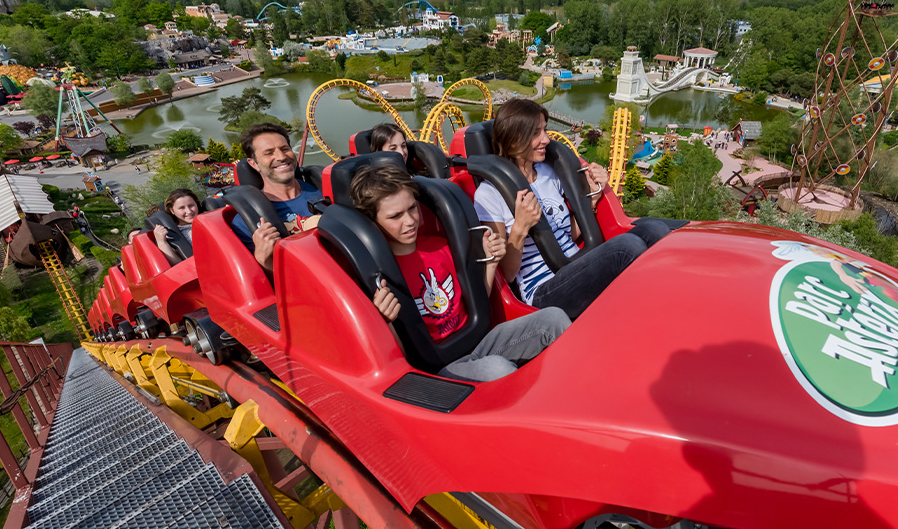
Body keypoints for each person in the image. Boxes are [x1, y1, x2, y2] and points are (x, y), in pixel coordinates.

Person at [351, 164, 570, 382]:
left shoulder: (442, 246)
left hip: (477, 341)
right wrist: (383, 322)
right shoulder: (379, 277)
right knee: (498, 369)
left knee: (554, 317)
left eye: (412, 208)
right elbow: (397, 361)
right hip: (440, 367)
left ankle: (576, 383)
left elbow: (476, 301)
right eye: (395, 216)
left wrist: (491, 262)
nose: (409, 221)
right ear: (373, 222)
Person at [474, 99, 670, 321]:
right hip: (542, 289)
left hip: (574, 264)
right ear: (513, 140)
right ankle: (649, 316)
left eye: (545, 130)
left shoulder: (548, 172)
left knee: (655, 230)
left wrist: (594, 197)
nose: (546, 139)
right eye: (536, 133)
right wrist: (520, 228)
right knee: (626, 248)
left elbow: (569, 233)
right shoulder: (489, 194)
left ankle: (661, 305)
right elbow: (507, 274)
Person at [232, 122, 323, 272]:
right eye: (269, 153)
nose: (281, 157)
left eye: (285, 149)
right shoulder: (246, 221)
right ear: (254, 164)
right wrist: (262, 259)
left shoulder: (321, 189)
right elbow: (261, 286)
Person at [152, 188, 200, 265]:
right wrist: (161, 242)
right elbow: (178, 264)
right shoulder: (175, 234)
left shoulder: (209, 220)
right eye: (181, 208)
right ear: (172, 211)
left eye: (191, 205)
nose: (189, 211)